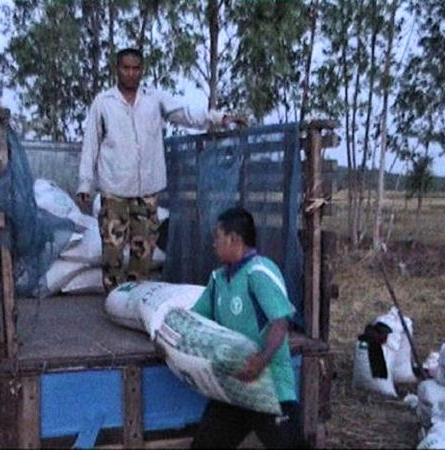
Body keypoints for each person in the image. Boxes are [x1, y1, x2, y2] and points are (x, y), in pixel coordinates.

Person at [76, 48, 246, 292]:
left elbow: (185, 114)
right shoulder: (103, 103)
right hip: (114, 190)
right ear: (117, 70)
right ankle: (114, 297)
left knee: (143, 249)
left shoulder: (154, 99)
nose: (131, 73)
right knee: (112, 250)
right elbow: (91, 144)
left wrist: (220, 118)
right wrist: (85, 183)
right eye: (126, 68)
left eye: (136, 68)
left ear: (142, 71)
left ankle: (136, 297)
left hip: (147, 189)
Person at [190, 207, 306, 449]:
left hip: (270, 388)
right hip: (234, 387)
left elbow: (280, 323)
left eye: (218, 237)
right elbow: (196, 318)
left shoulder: (259, 272)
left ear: (234, 239)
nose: (214, 244)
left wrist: (261, 361)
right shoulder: (218, 279)